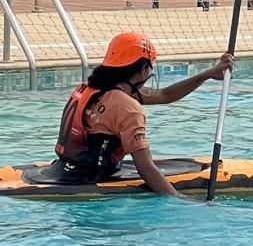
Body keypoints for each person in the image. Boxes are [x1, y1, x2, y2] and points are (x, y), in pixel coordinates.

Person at [53, 31, 233, 197]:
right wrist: (182, 201)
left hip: (65, 168)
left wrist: (207, 74)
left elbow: (165, 95)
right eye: (149, 65)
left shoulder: (90, 89)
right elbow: (145, 168)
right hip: (93, 176)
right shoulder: (127, 107)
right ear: (141, 69)